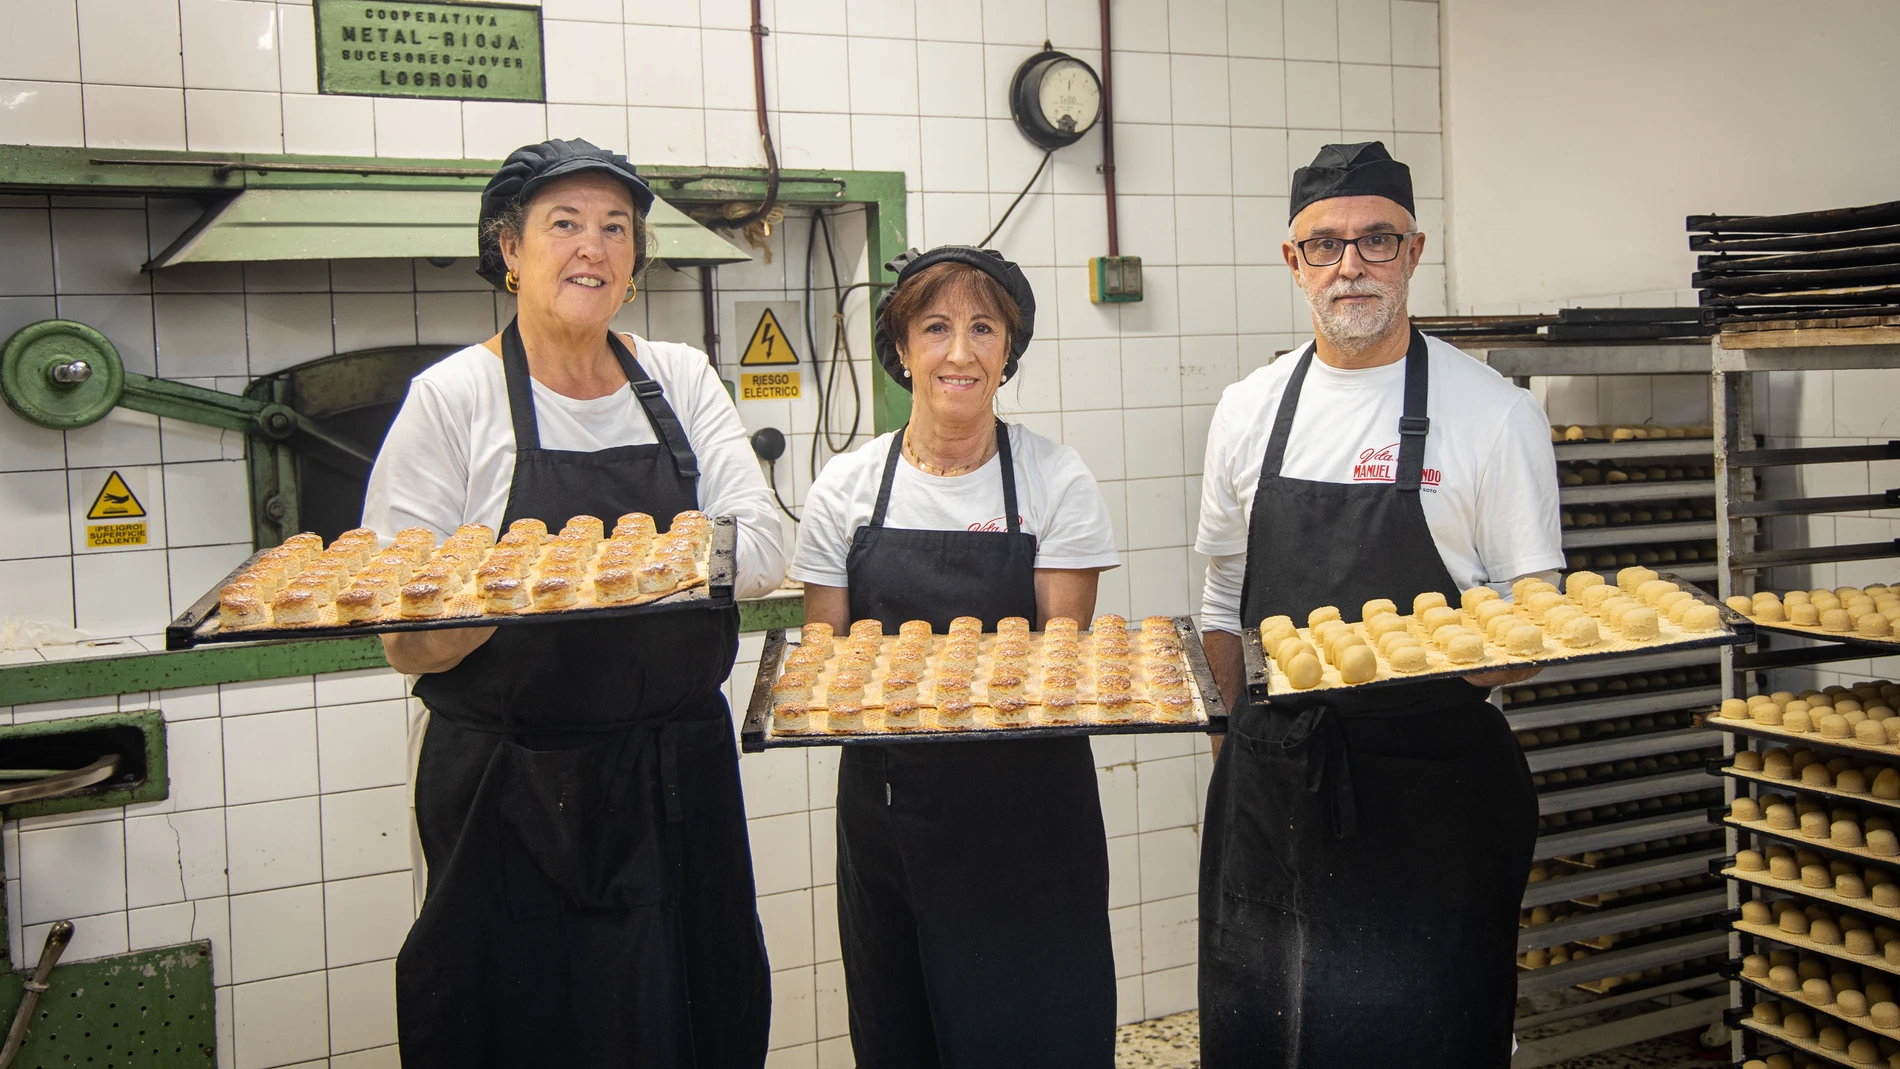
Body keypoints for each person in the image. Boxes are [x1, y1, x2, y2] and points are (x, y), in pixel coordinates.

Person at [362, 138, 783, 1067]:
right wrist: (506, 599)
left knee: (692, 1016)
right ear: (509, 249)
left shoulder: (678, 378)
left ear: (633, 260)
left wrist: (607, 575)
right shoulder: (453, 398)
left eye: (615, 229)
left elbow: (762, 548)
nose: (592, 247)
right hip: (511, 792)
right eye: (565, 225)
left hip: (677, 774)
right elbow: (405, 635)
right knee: (522, 1025)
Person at [1193, 142, 1563, 1067]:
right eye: (1325, 244)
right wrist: (1232, 751)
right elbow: (1221, 593)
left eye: (1377, 240)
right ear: (1293, 261)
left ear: (1414, 250)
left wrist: (1465, 653)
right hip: (1271, 786)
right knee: (1266, 1029)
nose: (1350, 264)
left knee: (1423, 1036)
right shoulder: (1247, 409)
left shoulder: (1494, 413)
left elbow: (1537, 613)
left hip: (1432, 792)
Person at [789, 246, 1122, 1068]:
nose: (960, 352)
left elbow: (1058, 668)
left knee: (1038, 1038)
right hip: (891, 816)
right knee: (904, 1035)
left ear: (1010, 350)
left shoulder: (1056, 479)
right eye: (935, 328)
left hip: (1030, 820)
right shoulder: (846, 488)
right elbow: (829, 666)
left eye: (984, 328)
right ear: (900, 349)